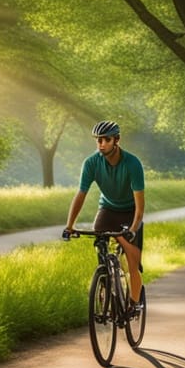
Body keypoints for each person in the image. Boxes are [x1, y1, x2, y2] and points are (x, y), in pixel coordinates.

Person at [63, 120, 145, 311]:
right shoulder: (91, 163)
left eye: (106, 139)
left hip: (130, 212)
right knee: (100, 243)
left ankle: (133, 304)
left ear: (116, 140)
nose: (101, 144)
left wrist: (132, 230)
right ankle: (106, 279)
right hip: (107, 209)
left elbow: (140, 207)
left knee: (133, 262)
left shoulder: (132, 164)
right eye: (99, 140)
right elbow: (81, 194)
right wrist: (69, 225)